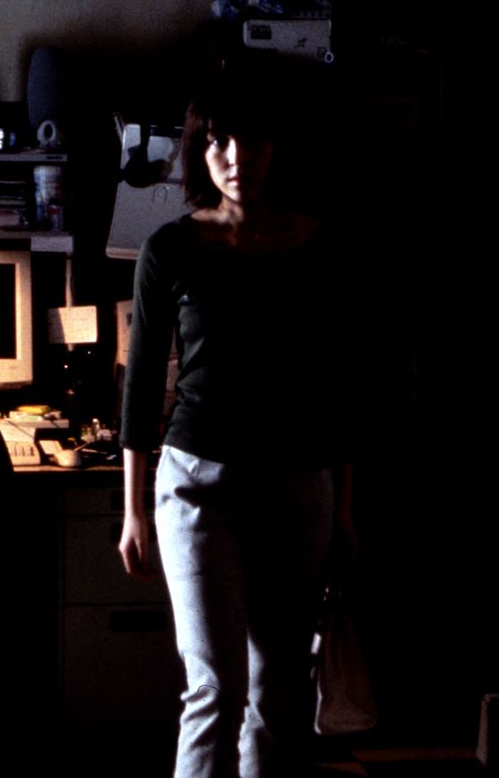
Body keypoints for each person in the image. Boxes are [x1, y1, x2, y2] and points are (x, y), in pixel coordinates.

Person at [118, 61, 358, 778]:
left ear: (275, 148)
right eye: (219, 142)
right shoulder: (171, 249)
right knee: (214, 688)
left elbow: (340, 388)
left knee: (278, 691)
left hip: (297, 485)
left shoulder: (321, 246)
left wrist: (344, 506)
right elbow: (139, 393)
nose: (236, 159)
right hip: (197, 485)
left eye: (251, 141)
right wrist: (134, 511)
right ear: (200, 150)